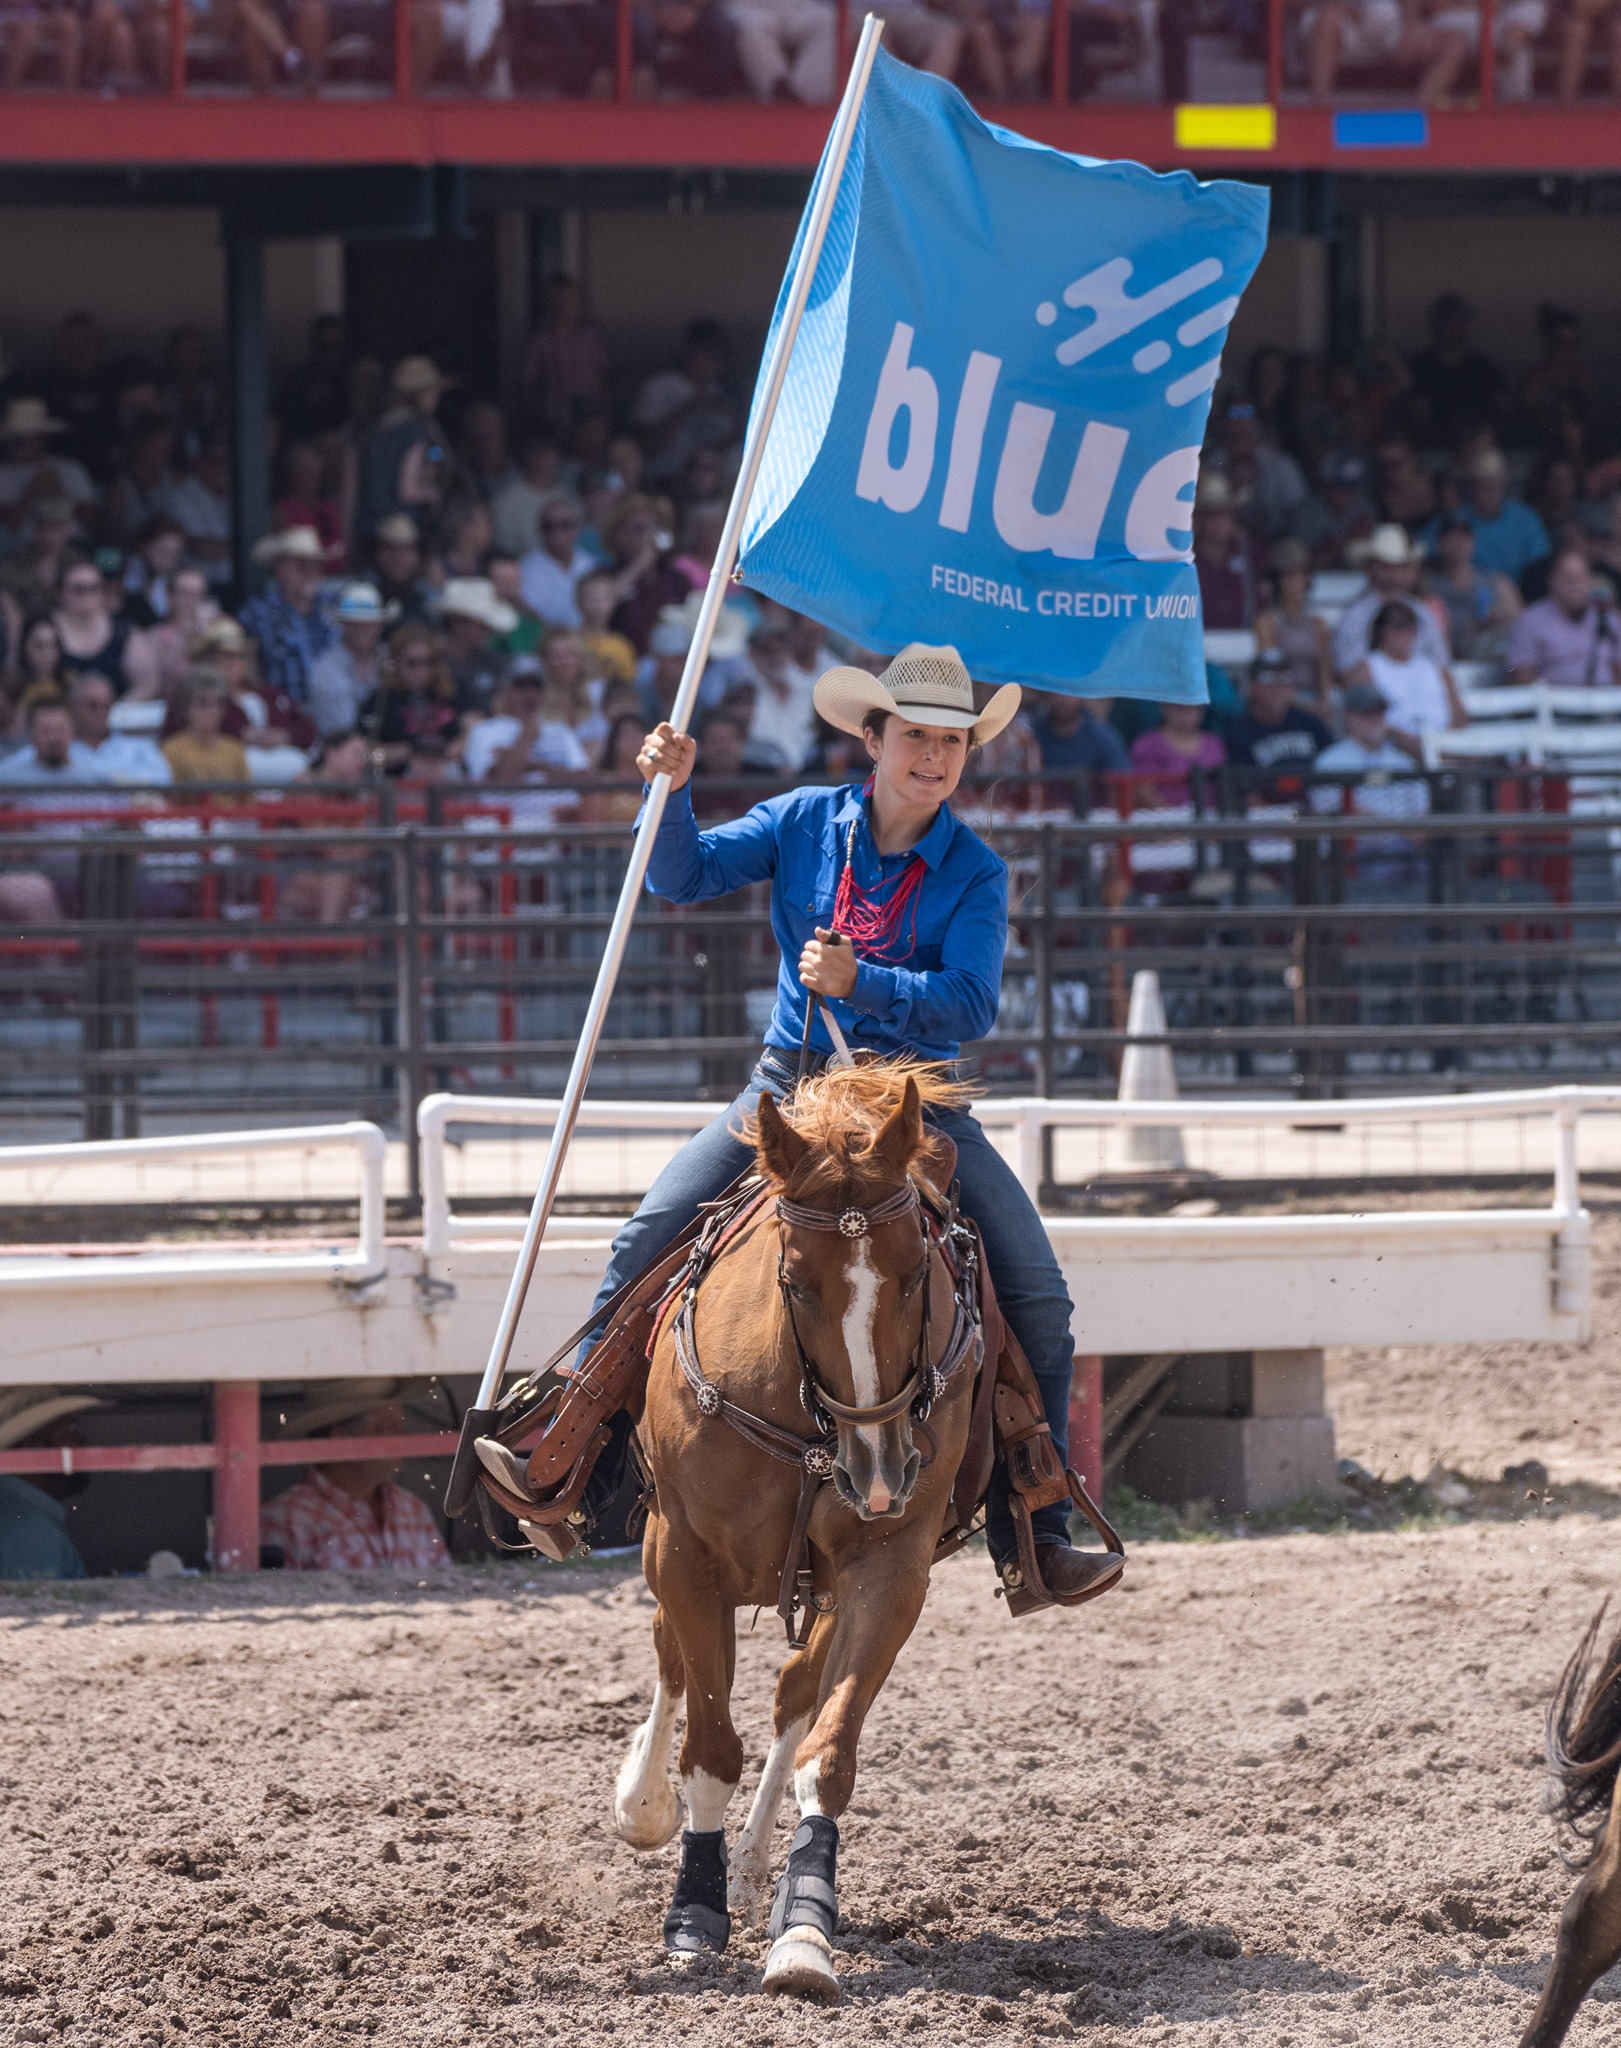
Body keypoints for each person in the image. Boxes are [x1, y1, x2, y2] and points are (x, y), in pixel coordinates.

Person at [553, 645, 1119, 1603]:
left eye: (950, 742)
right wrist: (671, 793)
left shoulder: (975, 872)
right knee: (646, 1234)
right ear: (873, 738)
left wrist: (867, 982)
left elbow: (971, 1005)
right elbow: (681, 877)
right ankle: (569, 1461)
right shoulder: (804, 819)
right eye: (915, 738)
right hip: (792, 1086)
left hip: (913, 1105)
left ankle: (1037, 1522)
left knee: (1040, 1297)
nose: (933, 758)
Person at [260, 1381, 452, 1572]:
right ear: (341, 1438)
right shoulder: (285, 1520)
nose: (399, 1442)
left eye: (399, 1430)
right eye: (385, 1429)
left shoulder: (413, 1510)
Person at [1309, 682, 1432, 896]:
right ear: (1349, 718)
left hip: (1409, 853)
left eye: (1380, 712)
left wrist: (1400, 831)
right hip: (1356, 859)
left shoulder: (1403, 761)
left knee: (1434, 869)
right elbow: (1343, 818)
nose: (1376, 719)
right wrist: (1402, 829)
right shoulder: (1329, 762)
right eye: (1368, 713)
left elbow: (1423, 818)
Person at [0, 1387, 105, 1580]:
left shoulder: (19, 1517)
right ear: (32, 1447)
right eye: (73, 1430)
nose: (83, 1440)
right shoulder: (31, 1533)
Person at [1344, 599, 1467, 760]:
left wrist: (1445, 741)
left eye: (1411, 626)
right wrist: (1408, 742)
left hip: (1445, 743)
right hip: (1394, 747)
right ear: (1381, 631)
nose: (1406, 633)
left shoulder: (1437, 668)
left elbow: (1459, 714)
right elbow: (1363, 717)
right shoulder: (1367, 669)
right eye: (1398, 627)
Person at [1332, 525, 1453, 681]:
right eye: (1386, 565)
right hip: (1377, 701)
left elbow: (1442, 664)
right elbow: (1350, 676)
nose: (1394, 572)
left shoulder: (1421, 611)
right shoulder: (1355, 617)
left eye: (1399, 565)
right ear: (1370, 567)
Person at [238, 525, 336, 706]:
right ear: (280, 568)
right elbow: (244, 670)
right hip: (283, 715)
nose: (309, 572)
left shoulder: (334, 608)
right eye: (301, 565)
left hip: (332, 714)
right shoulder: (258, 612)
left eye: (315, 564)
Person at [462, 657, 591, 785]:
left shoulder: (560, 731)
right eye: (521, 685)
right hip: (506, 805)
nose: (529, 694)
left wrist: (534, 766)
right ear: (505, 690)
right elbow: (498, 783)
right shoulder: (483, 731)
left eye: (535, 686)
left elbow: (587, 781)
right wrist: (526, 736)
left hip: (563, 805)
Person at [359, 624, 465, 775]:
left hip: (447, 777)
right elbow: (365, 755)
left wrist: (449, 752)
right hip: (398, 785)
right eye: (412, 663)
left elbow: (472, 731)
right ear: (395, 662)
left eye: (429, 662)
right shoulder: (380, 701)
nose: (421, 671)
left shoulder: (449, 694)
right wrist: (407, 752)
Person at [1222, 650, 1331, 796]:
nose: (1277, 686)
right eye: (1267, 678)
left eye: (1285, 678)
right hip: (1268, 814)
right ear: (1251, 687)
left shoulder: (1311, 723)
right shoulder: (1237, 732)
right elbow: (1242, 791)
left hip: (1315, 808)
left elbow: (1333, 768)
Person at [1508, 548, 1621, 688]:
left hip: (1607, 705)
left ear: (1590, 580)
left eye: (1580, 576)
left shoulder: (1606, 613)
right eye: (1566, 576)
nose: (1574, 583)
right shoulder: (1530, 620)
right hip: (1553, 707)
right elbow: (1522, 676)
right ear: (1552, 581)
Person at [53, 556, 157, 698]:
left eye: (93, 589)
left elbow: (146, 684)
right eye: (78, 589)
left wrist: (114, 713)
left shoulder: (125, 632)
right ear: (60, 592)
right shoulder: (46, 628)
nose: (86, 595)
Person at [1253, 536, 1333, 714]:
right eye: (1288, 575)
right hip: (1280, 702)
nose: (1294, 581)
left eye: (1299, 573)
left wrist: (1324, 702)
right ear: (1277, 581)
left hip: (1314, 699)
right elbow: (1269, 671)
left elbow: (1324, 673)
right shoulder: (1266, 622)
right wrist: (1301, 703)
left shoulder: (1318, 623)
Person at [1428, 513, 1523, 663]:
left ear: (1473, 542)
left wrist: (1498, 616)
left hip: (1495, 662)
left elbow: (1522, 623)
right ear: (1439, 543)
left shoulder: (1497, 581)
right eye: (1452, 538)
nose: (1459, 544)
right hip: (1453, 663)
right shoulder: (1428, 586)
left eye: (1464, 538)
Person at [307, 582, 394, 736]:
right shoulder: (325, 670)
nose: (362, 630)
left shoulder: (394, 657)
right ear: (343, 626)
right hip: (343, 750)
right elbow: (342, 729)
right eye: (354, 624)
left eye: (369, 623)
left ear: (380, 625)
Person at [68, 673, 172, 786]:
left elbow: (162, 785)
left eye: (106, 705)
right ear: (73, 707)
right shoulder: (59, 751)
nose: (100, 712)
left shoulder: (141, 749)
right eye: (93, 705)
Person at [438, 576, 516, 716]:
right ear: (458, 622)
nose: (487, 631)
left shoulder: (496, 663)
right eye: (481, 625)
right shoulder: (430, 661)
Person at [519, 491, 597, 629]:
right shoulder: (525, 568)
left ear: (577, 528)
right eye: (548, 526)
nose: (556, 532)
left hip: (588, 642)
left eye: (564, 525)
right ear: (540, 530)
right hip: (543, 644)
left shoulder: (591, 566)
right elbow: (529, 616)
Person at [162, 666, 252, 786]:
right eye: (202, 704)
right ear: (186, 708)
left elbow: (247, 801)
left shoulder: (235, 750)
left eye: (216, 703)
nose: (211, 711)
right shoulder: (172, 751)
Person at [1129, 701, 1226, 805]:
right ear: (1164, 708)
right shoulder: (1147, 744)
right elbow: (1144, 791)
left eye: (1192, 708)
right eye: (1179, 707)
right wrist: (1174, 815)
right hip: (1163, 817)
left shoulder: (1214, 744)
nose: (1186, 714)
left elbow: (1224, 788)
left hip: (1210, 817)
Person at [1191, 473, 1255, 629]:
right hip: (1199, 644)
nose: (1219, 522)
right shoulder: (1188, 559)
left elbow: (1263, 608)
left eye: (1224, 514)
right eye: (1211, 515)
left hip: (1246, 642)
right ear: (1200, 519)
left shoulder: (1250, 553)